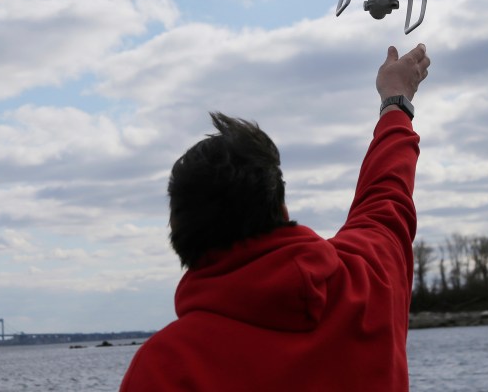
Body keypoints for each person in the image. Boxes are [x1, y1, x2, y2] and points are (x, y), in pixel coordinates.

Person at [120, 43, 430, 392]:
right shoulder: (369, 282)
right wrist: (395, 101)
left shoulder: (165, 366)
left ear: (179, 236)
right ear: (281, 210)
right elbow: (387, 194)